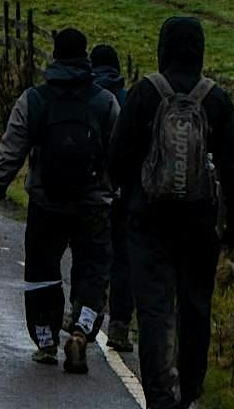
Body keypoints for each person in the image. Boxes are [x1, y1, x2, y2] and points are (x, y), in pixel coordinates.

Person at [108, 16, 234, 409]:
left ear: (163, 46)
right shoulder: (215, 98)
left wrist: (127, 194)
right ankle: (191, 388)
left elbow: (117, 158)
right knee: (195, 305)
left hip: (148, 220)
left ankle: (159, 394)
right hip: (199, 225)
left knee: (154, 308)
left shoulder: (145, 93)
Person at [0, 27, 117, 374]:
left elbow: (10, 153)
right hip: (92, 205)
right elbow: (121, 157)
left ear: (54, 56)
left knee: (42, 271)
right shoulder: (104, 102)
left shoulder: (33, 100)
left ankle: (46, 341)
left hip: (45, 203)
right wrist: (118, 198)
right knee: (93, 270)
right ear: (85, 57)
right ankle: (82, 330)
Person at [89, 42, 135, 353]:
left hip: (92, 189)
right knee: (122, 258)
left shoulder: (90, 98)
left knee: (92, 255)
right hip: (125, 193)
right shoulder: (129, 99)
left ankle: (86, 320)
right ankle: (119, 326)